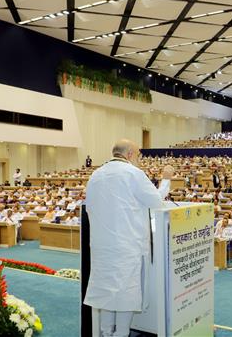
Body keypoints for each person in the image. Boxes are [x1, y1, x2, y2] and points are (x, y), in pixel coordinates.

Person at [84, 139, 175, 337]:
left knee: (107, 292)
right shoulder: (133, 173)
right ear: (130, 154)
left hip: (101, 246)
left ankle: (106, 333)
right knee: (126, 292)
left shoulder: (96, 175)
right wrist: (166, 179)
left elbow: (89, 207)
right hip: (127, 245)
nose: (140, 159)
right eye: (139, 155)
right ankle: (121, 334)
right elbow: (156, 201)